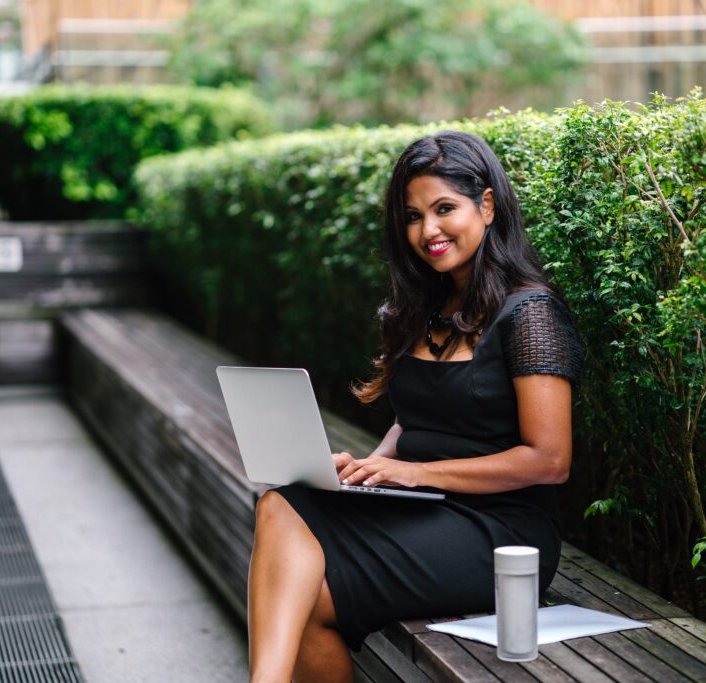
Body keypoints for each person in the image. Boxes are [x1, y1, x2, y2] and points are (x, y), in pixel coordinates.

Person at [247, 130, 584, 682]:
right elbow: (415, 419)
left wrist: (412, 472)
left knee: (302, 589)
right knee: (281, 503)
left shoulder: (531, 315)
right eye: (412, 216)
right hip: (420, 508)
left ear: (488, 205)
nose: (427, 230)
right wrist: (368, 473)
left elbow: (550, 460)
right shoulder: (426, 308)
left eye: (444, 208)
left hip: (500, 535)